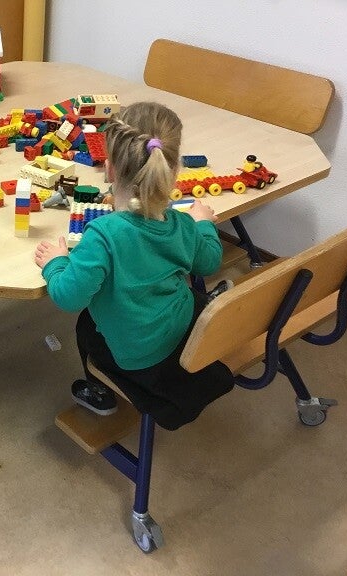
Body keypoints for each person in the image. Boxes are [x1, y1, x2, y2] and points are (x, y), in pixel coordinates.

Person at [34, 101, 234, 430]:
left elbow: (68, 297)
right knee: (179, 292)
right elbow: (210, 260)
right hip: (182, 327)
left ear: (110, 169)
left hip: (139, 357)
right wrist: (203, 223)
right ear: (174, 169)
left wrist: (55, 264)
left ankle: (99, 390)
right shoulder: (181, 224)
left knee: (86, 325)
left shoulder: (103, 235)